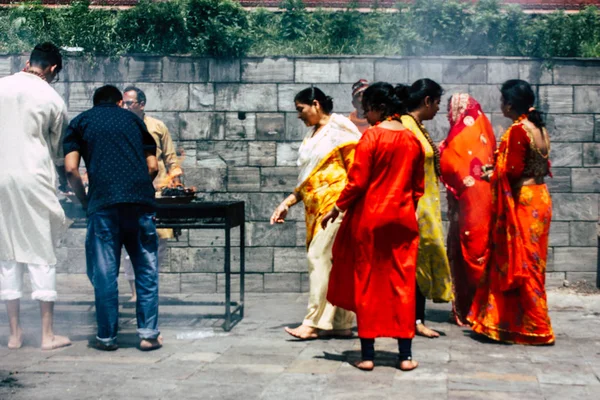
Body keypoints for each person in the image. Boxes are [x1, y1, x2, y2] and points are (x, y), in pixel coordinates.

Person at [322, 82, 424, 371]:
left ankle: (367, 355)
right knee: (401, 284)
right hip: (402, 220)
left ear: (380, 108)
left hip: (371, 219)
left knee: (367, 282)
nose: (365, 115)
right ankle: (405, 355)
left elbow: (357, 182)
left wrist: (338, 206)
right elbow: (418, 188)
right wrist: (405, 211)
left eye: (366, 109)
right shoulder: (412, 140)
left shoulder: (371, 138)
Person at [63, 85, 163, 351]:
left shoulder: (80, 122)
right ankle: (148, 335)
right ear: (120, 102)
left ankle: (107, 337)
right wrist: (139, 186)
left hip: (103, 204)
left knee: (105, 273)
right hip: (139, 204)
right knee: (146, 269)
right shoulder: (134, 119)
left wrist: (86, 201)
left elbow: (72, 169)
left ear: (95, 103)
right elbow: (152, 166)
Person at [468, 80, 555, 345]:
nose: (500, 105)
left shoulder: (518, 129)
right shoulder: (537, 126)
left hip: (523, 202)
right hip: (539, 198)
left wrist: (491, 174)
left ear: (510, 103)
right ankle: (516, 323)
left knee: (521, 263)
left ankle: (535, 327)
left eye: (503, 100)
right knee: (532, 263)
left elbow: (514, 171)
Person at [270, 87, 359, 340]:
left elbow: (357, 171)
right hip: (315, 208)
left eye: (301, 109)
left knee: (317, 257)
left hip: (337, 207)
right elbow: (309, 178)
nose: (299, 116)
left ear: (316, 104)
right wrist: (287, 202)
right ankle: (342, 324)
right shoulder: (313, 135)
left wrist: (345, 205)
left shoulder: (341, 128)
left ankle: (312, 323)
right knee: (332, 262)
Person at [0, 42, 71, 351]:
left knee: (7, 252)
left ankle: (14, 335)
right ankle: (46, 335)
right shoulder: (52, 98)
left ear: (27, 61)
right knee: (40, 250)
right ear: (53, 69)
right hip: (33, 178)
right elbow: (59, 151)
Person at [400, 79, 453, 338]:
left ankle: (416, 318)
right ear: (427, 101)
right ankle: (413, 319)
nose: (438, 110)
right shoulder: (406, 127)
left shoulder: (417, 126)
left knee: (421, 260)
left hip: (425, 205)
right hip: (414, 206)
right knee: (414, 262)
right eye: (437, 104)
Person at [439, 93, 496, 326]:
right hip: (487, 204)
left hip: (469, 208)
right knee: (484, 250)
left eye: (449, 110)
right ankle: (487, 308)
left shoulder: (460, 138)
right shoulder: (484, 132)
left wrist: (441, 149)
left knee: (470, 251)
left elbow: (451, 163)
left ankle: (472, 308)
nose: (447, 115)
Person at [121, 86, 182, 302]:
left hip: (156, 194)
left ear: (141, 104)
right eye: (123, 103)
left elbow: (171, 159)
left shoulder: (157, 127)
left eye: (129, 103)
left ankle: (150, 289)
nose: (125, 107)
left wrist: (176, 184)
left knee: (157, 244)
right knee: (130, 244)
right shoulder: (119, 126)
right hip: (129, 195)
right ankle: (135, 293)